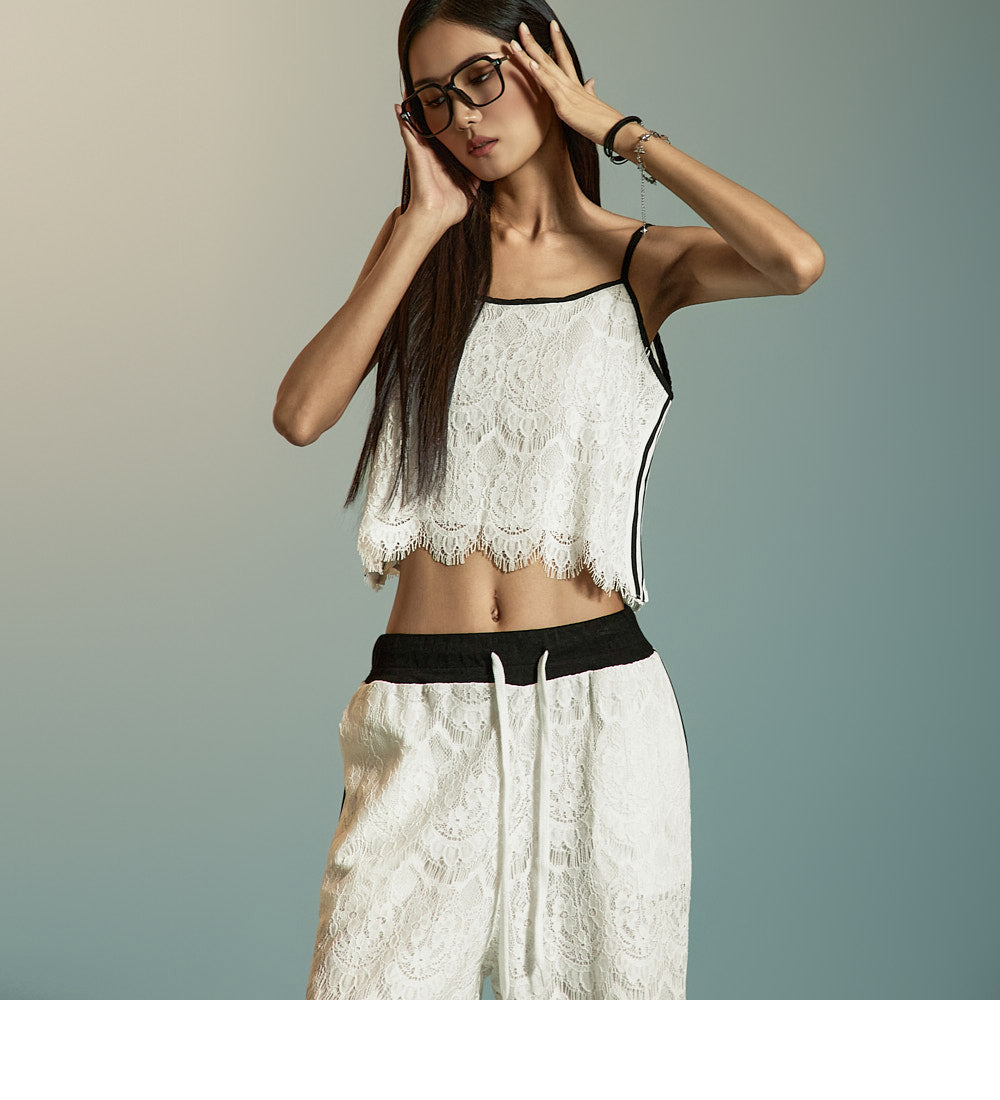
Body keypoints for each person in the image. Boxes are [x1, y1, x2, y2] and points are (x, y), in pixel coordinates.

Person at [274, 0, 824, 1000]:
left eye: (481, 78)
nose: (463, 117)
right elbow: (302, 412)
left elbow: (795, 262)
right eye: (433, 99)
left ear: (546, 66)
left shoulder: (638, 262)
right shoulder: (421, 252)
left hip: (600, 713)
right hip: (425, 709)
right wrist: (421, 222)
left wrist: (616, 129)